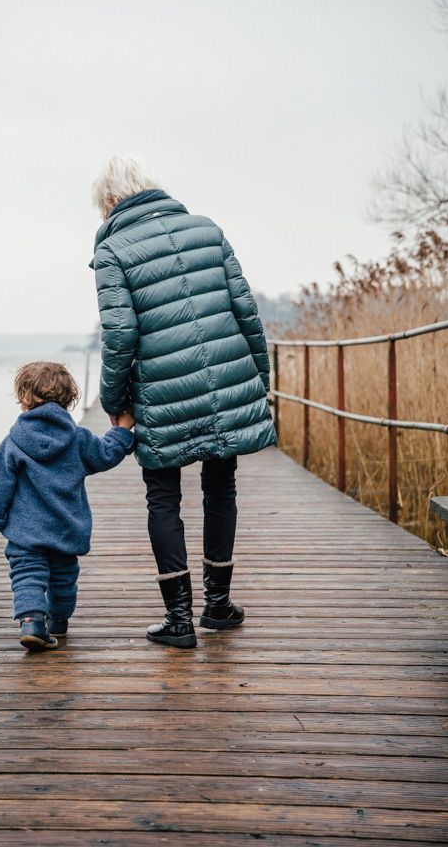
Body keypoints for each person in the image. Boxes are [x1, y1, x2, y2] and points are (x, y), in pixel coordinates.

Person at [90, 155, 277, 649]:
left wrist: (114, 401)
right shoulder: (207, 229)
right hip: (225, 378)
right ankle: (217, 606)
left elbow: (120, 333)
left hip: (161, 391)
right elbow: (246, 311)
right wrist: (259, 377)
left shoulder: (112, 250)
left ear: (110, 203)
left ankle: (178, 620)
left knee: (163, 497)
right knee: (221, 487)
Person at [0, 360, 135, 651]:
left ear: (24, 399)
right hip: (65, 528)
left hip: (26, 531)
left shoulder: (14, 442)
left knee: (27, 576)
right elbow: (106, 454)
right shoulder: (79, 439)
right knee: (64, 580)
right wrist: (123, 430)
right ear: (69, 400)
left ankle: (32, 622)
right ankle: (58, 622)